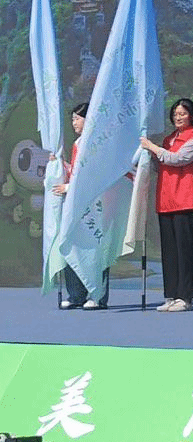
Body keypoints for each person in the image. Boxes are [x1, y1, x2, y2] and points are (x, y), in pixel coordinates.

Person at [140, 98, 193, 313]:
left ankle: (185, 296)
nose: (178, 117)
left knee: (185, 250)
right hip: (166, 200)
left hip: (187, 200)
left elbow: (178, 159)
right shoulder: (169, 139)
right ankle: (171, 295)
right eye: (175, 114)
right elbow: (161, 164)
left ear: (192, 116)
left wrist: (153, 147)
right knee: (169, 252)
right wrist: (147, 154)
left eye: (183, 114)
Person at [54, 102, 109, 310]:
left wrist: (69, 187)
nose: (74, 123)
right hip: (76, 204)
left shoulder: (98, 142)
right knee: (72, 243)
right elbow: (77, 172)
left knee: (95, 248)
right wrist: (59, 165)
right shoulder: (77, 144)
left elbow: (95, 176)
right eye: (72, 119)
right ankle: (76, 294)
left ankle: (97, 295)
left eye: (77, 118)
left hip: (94, 204)